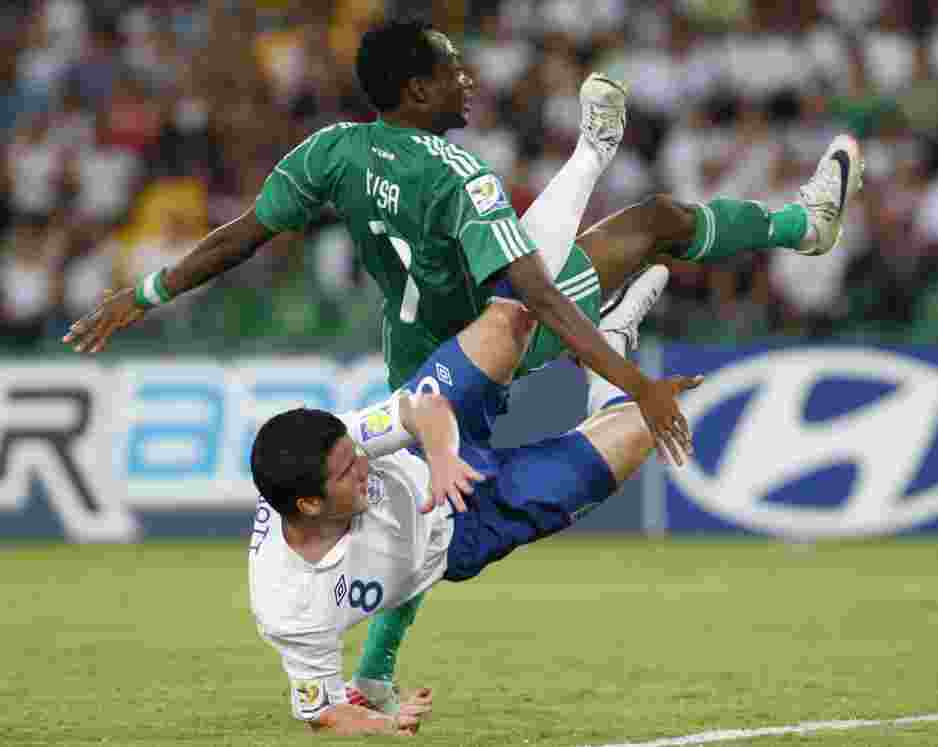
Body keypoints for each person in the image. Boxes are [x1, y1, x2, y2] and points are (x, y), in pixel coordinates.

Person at [63, 16, 863, 716]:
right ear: (416, 91)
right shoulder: (461, 176)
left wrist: (145, 291)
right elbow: (535, 300)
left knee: (428, 509)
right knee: (448, 494)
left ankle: (661, 186)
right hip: (485, 346)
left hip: (417, 356)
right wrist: (635, 385)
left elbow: (243, 232)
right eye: (449, 67)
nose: (465, 76)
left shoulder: (332, 151)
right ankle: (710, 237)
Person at [248, 262, 700, 737]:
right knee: (648, 422)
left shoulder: (328, 445)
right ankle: (613, 338)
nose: (362, 465)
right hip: (464, 530)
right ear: (310, 506)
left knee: (512, 314)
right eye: (347, 472)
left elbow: (423, 408)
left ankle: (573, 286)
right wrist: (387, 723)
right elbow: (325, 714)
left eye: (356, 455)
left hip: (435, 453)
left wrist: (442, 458)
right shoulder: (290, 608)